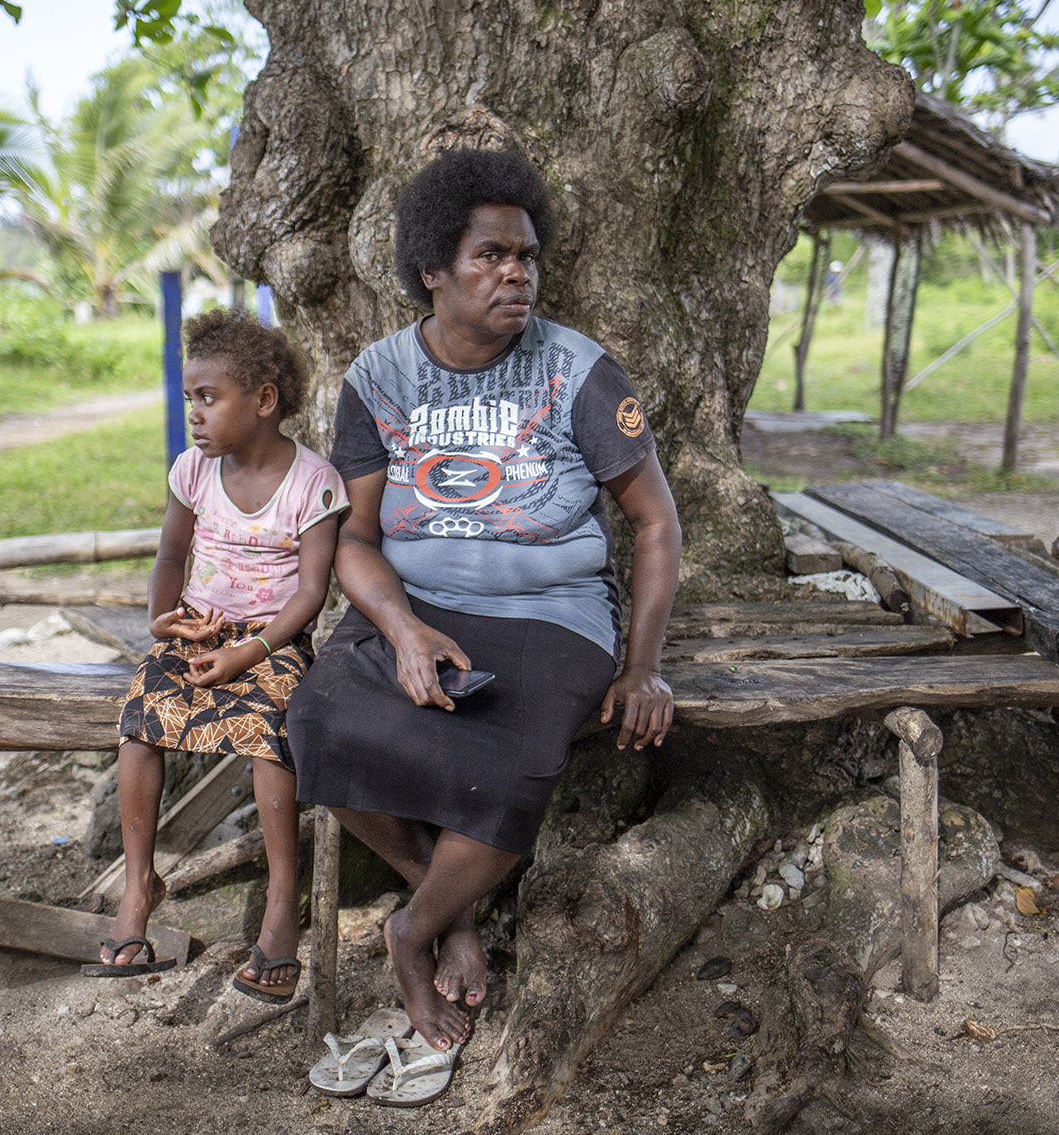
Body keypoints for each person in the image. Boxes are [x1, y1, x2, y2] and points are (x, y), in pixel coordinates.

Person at [287, 148, 683, 1053]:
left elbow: (656, 526)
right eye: (491, 256)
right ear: (432, 270)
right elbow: (354, 537)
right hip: (413, 597)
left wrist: (645, 666)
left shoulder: (578, 371)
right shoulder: (378, 378)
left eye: (528, 257)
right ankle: (450, 903)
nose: (517, 274)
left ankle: (413, 927)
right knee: (312, 723)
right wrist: (401, 629)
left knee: (518, 758)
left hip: (553, 610)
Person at [94, 309, 348, 1003]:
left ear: (264, 400)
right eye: (191, 401)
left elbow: (313, 591)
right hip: (199, 634)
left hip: (273, 641)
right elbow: (172, 554)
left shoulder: (312, 482)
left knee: (271, 734)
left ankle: (280, 898)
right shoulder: (193, 472)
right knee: (140, 718)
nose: (196, 417)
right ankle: (139, 882)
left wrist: (252, 653)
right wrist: (160, 619)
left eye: (209, 399)